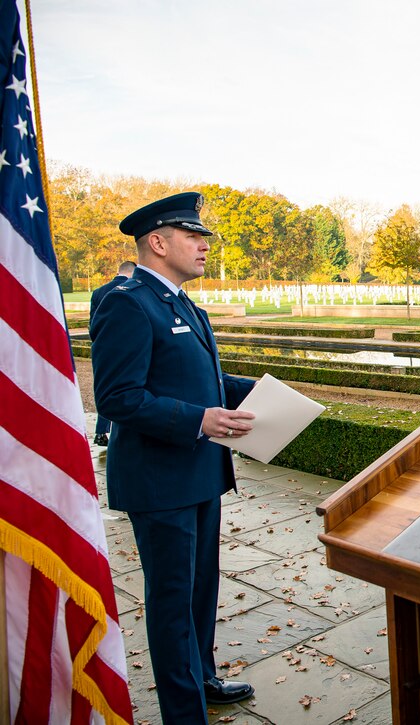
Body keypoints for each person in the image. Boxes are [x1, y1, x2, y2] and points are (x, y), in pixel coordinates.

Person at [91, 192, 259, 721]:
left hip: (202, 471)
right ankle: (184, 713)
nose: (204, 245)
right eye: (194, 236)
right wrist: (198, 420)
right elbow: (118, 396)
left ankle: (201, 677)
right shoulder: (126, 301)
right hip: (160, 480)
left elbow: (205, 380)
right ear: (158, 242)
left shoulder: (184, 303)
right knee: (171, 601)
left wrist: (266, 393)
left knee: (200, 591)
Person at [88, 259, 135, 446]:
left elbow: (93, 325)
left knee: (106, 390)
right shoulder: (133, 288)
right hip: (128, 348)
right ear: (132, 272)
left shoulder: (98, 291)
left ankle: (101, 431)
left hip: (103, 348)